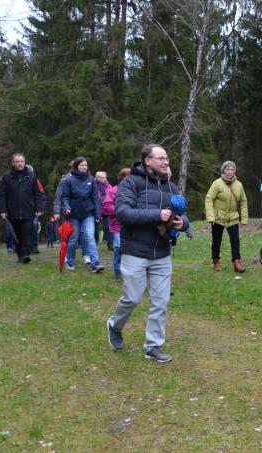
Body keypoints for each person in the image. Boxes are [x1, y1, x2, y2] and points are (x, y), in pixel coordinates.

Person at [106, 144, 190, 362]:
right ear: (147, 160)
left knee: (160, 302)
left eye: (167, 159)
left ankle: (153, 346)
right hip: (135, 251)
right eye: (161, 158)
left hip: (162, 253)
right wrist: (157, 214)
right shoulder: (130, 183)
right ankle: (115, 324)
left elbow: (182, 214)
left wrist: (183, 223)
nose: (165, 162)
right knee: (133, 298)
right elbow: (123, 213)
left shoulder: (171, 187)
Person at [0, 153, 45, 264]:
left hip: (28, 210)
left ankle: (25, 254)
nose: (20, 164)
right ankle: (20, 254)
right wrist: (2, 210)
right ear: (13, 163)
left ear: (25, 162)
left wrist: (39, 208)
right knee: (17, 235)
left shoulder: (31, 176)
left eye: (22, 161)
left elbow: (37, 194)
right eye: (17, 162)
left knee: (27, 232)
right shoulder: (7, 177)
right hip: (12, 211)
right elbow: (2, 195)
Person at [61, 157, 104, 273]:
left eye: (85, 165)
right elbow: (65, 197)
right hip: (73, 215)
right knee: (73, 239)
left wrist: (98, 214)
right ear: (76, 166)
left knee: (90, 237)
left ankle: (95, 264)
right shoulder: (68, 180)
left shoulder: (91, 180)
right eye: (81, 165)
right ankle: (70, 262)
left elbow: (95, 198)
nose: (84, 167)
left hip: (88, 214)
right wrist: (67, 207)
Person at [204, 161, 248, 273]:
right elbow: (209, 199)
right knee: (216, 241)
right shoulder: (217, 183)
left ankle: (237, 262)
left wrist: (244, 219)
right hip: (218, 218)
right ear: (223, 171)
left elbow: (243, 202)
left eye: (231, 169)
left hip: (233, 218)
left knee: (235, 240)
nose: (229, 172)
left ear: (234, 171)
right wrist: (211, 217)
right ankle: (216, 261)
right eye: (227, 169)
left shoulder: (239, 185)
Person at [102, 168, 130, 278]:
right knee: (118, 247)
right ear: (122, 178)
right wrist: (120, 210)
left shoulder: (135, 190)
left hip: (131, 225)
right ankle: (117, 270)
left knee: (130, 248)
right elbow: (106, 206)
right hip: (117, 224)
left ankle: (128, 270)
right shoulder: (113, 191)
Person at [95, 171, 113, 250]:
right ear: (98, 178)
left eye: (105, 177)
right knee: (95, 228)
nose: (104, 179)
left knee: (109, 227)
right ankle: (94, 244)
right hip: (96, 210)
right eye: (102, 177)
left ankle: (110, 244)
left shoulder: (109, 186)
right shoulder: (93, 186)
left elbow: (112, 197)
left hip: (107, 211)